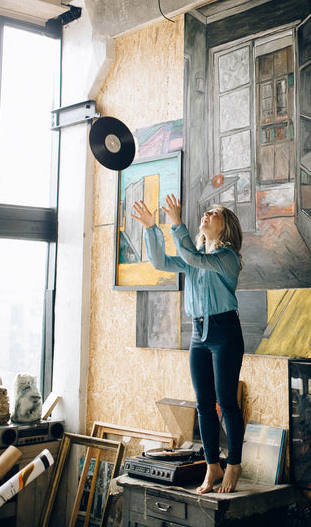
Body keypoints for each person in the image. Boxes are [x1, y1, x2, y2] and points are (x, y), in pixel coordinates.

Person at [131, 193, 245, 494]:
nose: (206, 214)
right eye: (205, 211)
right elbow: (159, 261)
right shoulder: (194, 257)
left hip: (225, 332)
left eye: (214, 213)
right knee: (204, 405)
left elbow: (194, 258)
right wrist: (151, 228)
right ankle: (212, 467)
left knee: (226, 402)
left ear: (226, 226)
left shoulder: (228, 257)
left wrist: (177, 223)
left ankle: (234, 464)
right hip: (199, 334)